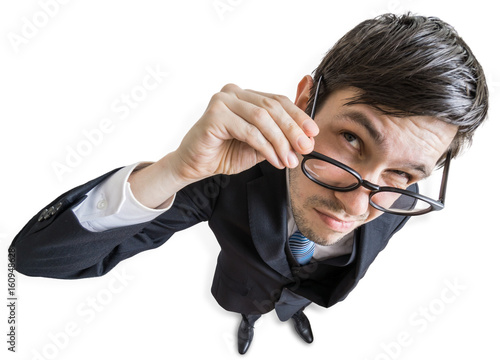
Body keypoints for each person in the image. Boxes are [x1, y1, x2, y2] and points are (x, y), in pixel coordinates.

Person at [9, 13, 488, 355]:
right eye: (351, 138)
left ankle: (294, 310)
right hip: (243, 287)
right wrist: (177, 168)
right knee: (252, 310)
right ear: (306, 99)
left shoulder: (400, 199)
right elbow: (33, 258)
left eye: (402, 173)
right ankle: (251, 322)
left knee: (296, 298)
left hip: (311, 289)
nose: (358, 202)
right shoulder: (225, 180)